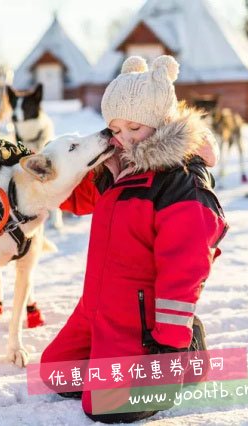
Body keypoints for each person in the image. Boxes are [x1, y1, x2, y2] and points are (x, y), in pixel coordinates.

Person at [39, 55, 228, 423]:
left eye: (134, 128)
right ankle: (116, 360)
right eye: (115, 129)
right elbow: (77, 198)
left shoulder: (179, 185)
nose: (122, 139)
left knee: (106, 406)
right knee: (56, 372)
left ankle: (184, 354)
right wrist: (34, 172)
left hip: (141, 319)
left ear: (159, 123)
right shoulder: (119, 166)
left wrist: (168, 338)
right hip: (97, 307)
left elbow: (186, 268)